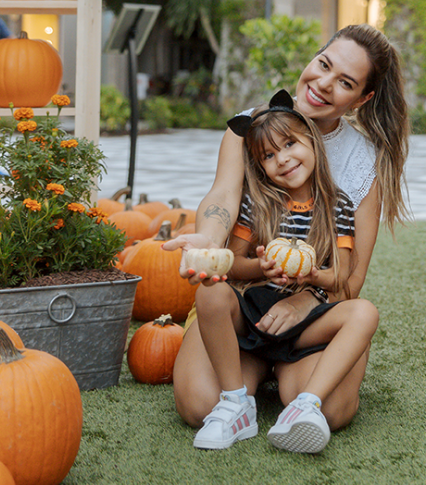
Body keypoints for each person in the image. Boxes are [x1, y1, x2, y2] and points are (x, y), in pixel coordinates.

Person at [165, 23, 410, 438]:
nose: (324, 83)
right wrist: (209, 239)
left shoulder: (364, 161)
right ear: (314, 57)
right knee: (199, 405)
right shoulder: (251, 127)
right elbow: (223, 196)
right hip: (244, 309)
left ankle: (294, 377)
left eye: (345, 82)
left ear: (362, 98)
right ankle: (245, 380)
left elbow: (352, 280)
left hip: (312, 314)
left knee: (331, 411)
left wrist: (305, 299)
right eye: (324, 64)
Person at [192, 89, 378, 453]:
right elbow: (233, 264)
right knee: (209, 290)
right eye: (269, 155)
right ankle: (235, 404)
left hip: (305, 323)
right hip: (255, 316)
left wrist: (311, 277)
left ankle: (305, 405)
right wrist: (258, 266)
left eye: (290, 144)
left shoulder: (336, 205)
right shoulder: (257, 203)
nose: (283, 159)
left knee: (364, 313)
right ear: (259, 166)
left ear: (311, 140)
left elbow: (340, 274)